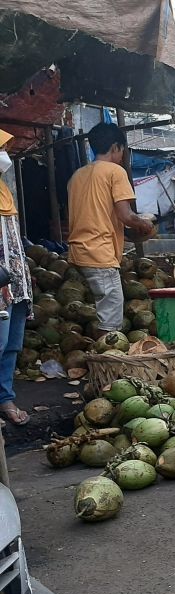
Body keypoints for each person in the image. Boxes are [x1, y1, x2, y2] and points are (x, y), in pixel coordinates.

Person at [67, 123, 153, 336]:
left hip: (78, 251)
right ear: (116, 147)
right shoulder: (116, 172)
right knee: (112, 314)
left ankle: (95, 352)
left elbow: (97, 214)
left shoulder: (77, 175)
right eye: (123, 150)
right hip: (100, 252)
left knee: (101, 307)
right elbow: (126, 215)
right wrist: (145, 223)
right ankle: (106, 363)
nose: (123, 155)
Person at [0, 131, 32, 425]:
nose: (5, 154)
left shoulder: (4, 191)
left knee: (11, 344)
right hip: (0, 284)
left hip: (16, 281)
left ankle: (5, 398)